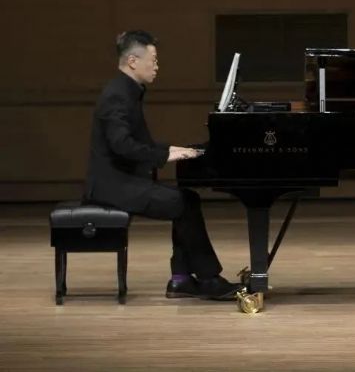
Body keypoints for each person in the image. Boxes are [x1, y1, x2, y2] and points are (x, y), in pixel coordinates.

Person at [84, 30, 241, 300]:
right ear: (133, 61)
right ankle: (208, 279)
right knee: (183, 203)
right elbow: (122, 145)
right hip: (113, 187)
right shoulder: (117, 95)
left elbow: (136, 143)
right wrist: (164, 156)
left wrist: (174, 150)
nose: (157, 66)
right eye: (153, 60)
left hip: (122, 182)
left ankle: (181, 279)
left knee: (186, 201)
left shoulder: (126, 91)